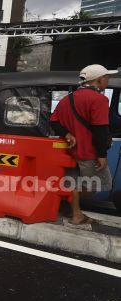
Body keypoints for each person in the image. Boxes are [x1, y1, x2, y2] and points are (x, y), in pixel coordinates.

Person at [50, 64, 118, 226]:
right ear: (99, 79)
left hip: (71, 151)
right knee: (96, 186)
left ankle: (75, 213)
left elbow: (53, 121)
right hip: (89, 152)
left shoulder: (68, 98)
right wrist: (102, 155)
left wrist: (67, 134)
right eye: (107, 77)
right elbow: (100, 129)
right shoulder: (100, 99)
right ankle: (71, 208)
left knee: (74, 183)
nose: (108, 79)